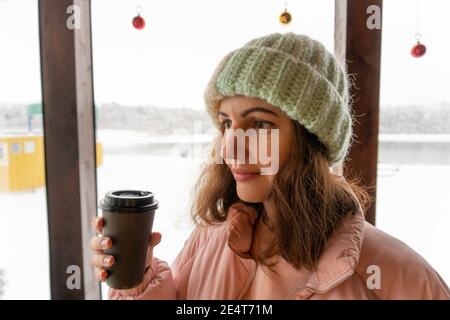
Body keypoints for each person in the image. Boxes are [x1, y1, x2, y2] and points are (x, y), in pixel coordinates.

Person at [89, 32, 450, 299]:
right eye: (226, 123)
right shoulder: (210, 238)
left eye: (260, 124)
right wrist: (138, 284)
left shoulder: (401, 277)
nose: (232, 147)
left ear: (312, 140)